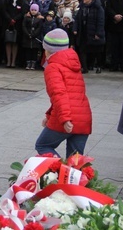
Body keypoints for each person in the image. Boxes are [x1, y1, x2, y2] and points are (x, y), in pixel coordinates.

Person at [35, 29, 92, 157]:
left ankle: (60, 171)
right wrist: (49, 116)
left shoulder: (53, 67)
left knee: (43, 145)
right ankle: (72, 175)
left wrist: (65, 119)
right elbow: (73, 94)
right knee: (75, 160)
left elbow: (58, 94)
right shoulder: (73, 63)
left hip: (66, 117)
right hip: (83, 117)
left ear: (47, 49)